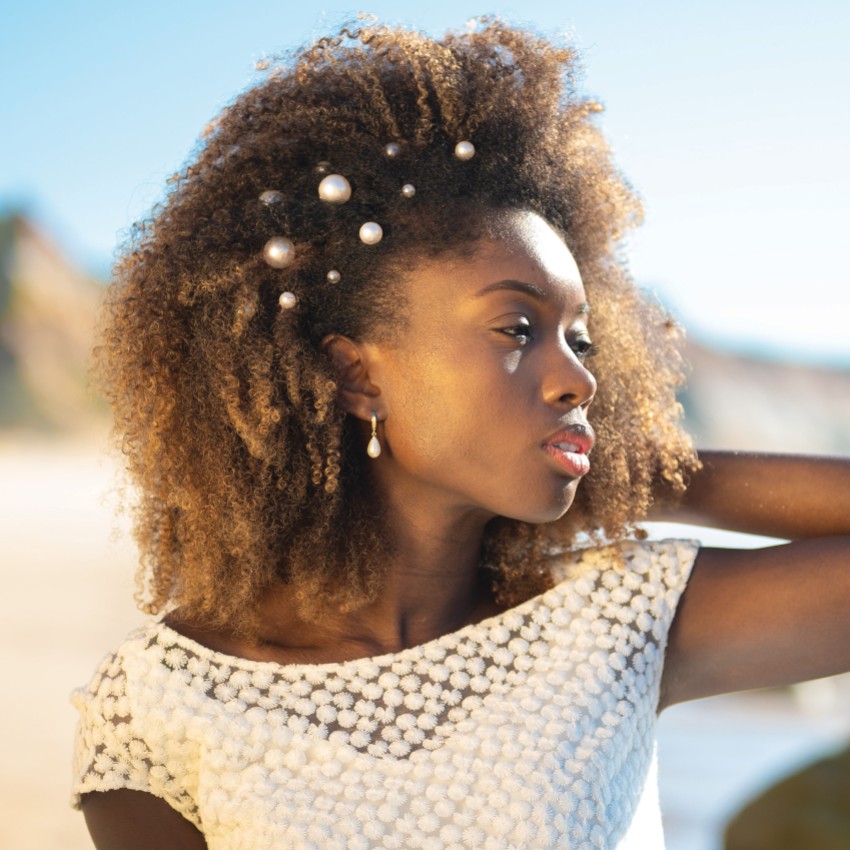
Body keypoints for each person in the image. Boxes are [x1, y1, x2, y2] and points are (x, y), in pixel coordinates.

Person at [70, 19, 850, 850]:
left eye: (579, 340)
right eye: (517, 329)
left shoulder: (614, 621)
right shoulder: (162, 704)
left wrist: (632, 474)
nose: (579, 378)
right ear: (357, 377)